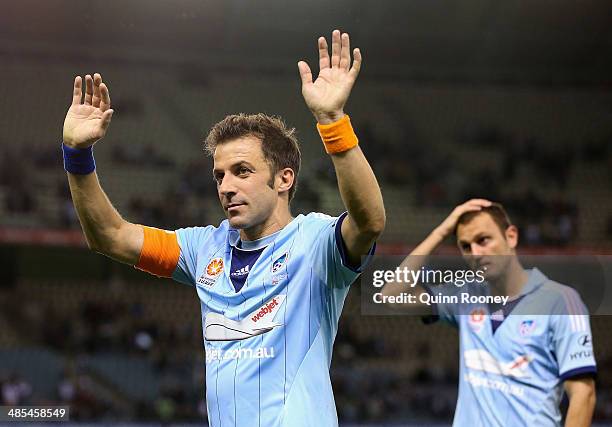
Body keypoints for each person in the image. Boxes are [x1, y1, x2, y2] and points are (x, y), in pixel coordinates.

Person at [61, 30, 385, 426]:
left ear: (284, 179)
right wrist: (77, 155)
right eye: (219, 176)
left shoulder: (316, 244)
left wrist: (332, 121)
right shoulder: (204, 249)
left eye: (242, 171)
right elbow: (109, 236)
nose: (227, 186)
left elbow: (369, 221)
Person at [382, 199, 596, 427]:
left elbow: (583, 394)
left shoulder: (561, 301)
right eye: (465, 246)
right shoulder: (464, 296)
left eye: (483, 240)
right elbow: (391, 296)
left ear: (511, 236)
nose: (475, 253)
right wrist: (440, 232)